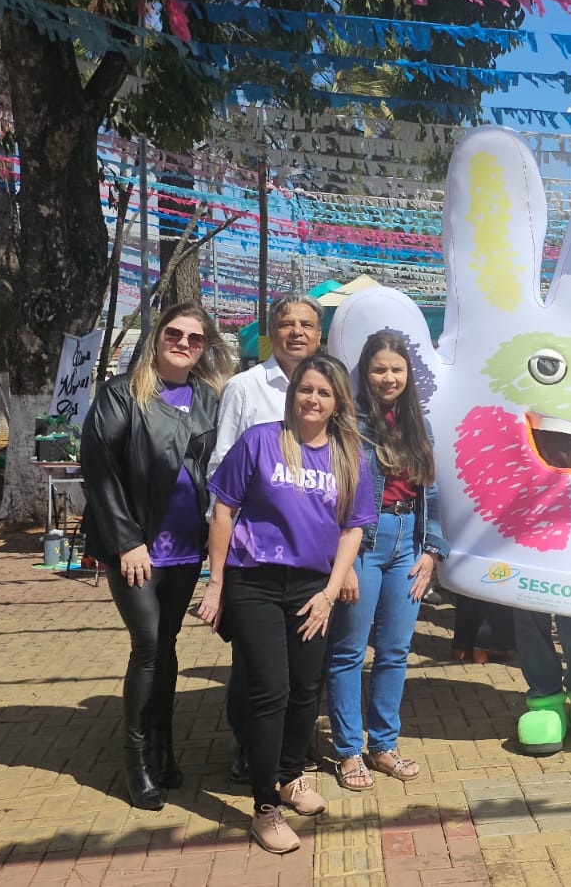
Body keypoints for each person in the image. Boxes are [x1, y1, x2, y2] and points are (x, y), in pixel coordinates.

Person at [200, 354, 375, 854]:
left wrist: (329, 590)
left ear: (337, 400)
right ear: (292, 392)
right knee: (270, 690)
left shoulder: (349, 455)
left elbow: (353, 529)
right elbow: (224, 510)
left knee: (305, 689)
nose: (312, 399)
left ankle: (291, 778)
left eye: (323, 392)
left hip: (312, 588)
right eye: (305, 389)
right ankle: (264, 807)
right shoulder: (261, 440)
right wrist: (215, 585)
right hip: (253, 581)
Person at [80, 304, 232, 810]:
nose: (183, 343)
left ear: (204, 347)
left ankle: (165, 747)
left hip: (187, 547)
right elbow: (99, 471)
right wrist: (126, 540)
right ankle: (137, 758)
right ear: (157, 336)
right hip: (138, 548)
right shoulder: (122, 394)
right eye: (174, 333)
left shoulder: (210, 398)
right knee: (147, 644)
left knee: (166, 646)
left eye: (194, 338)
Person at [327, 331, 450, 792]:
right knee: (348, 652)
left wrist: (432, 552)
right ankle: (346, 751)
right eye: (379, 369)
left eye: (396, 369)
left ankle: (383, 745)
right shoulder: (350, 422)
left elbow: (431, 491)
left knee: (395, 651)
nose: (388, 377)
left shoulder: (420, 424)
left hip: (407, 544)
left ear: (408, 375)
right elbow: (336, 489)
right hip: (362, 540)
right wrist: (341, 563)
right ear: (365, 372)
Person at [209, 292, 323, 782]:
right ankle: (248, 747)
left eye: (306, 324)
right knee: (254, 666)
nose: (296, 331)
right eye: (285, 323)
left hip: (311, 560)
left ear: (320, 336)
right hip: (253, 558)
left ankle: (290, 751)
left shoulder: (332, 387)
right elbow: (220, 469)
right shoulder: (244, 388)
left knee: (302, 664)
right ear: (269, 333)